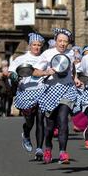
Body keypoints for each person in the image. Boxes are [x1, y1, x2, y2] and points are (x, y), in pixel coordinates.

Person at [34, 28, 78, 164]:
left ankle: (63, 152)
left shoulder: (71, 54)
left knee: (63, 119)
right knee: (50, 126)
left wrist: (75, 78)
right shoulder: (47, 54)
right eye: (60, 41)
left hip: (67, 90)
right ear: (55, 41)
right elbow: (35, 71)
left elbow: (73, 69)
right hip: (50, 91)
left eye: (65, 41)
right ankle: (48, 148)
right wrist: (46, 72)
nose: (63, 44)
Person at [9, 32, 48, 160]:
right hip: (26, 92)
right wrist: (13, 76)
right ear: (30, 45)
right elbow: (11, 72)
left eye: (39, 45)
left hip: (41, 91)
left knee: (40, 119)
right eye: (34, 45)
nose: (36, 47)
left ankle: (39, 149)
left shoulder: (45, 58)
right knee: (30, 121)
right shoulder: (21, 58)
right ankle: (26, 133)